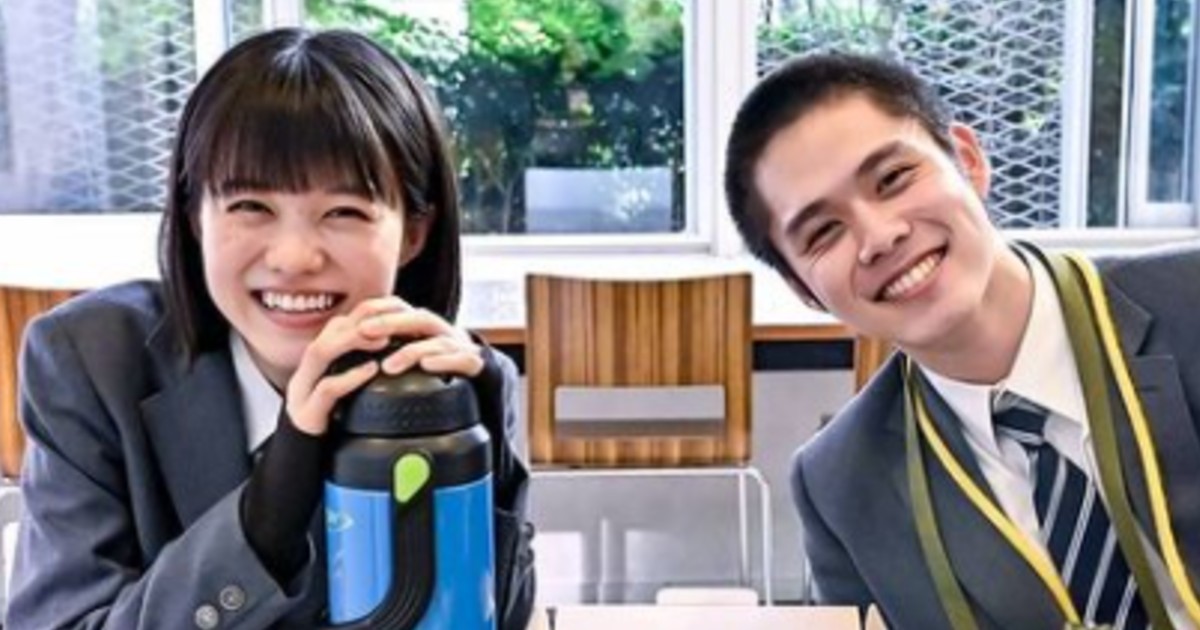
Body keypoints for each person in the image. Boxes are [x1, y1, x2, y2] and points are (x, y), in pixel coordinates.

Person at [7, 28, 534, 629]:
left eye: (344, 212)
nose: (294, 258)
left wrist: (485, 468)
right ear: (195, 217)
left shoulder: (451, 384)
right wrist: (265, 517)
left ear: (414, 232)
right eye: (251, 207)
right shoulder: (91, 362)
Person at [724, 52, 1200, 630]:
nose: (879, 236)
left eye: (893, 179)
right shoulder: (842, 484)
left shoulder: (1187, 302)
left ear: (969, 161)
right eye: (824, 231)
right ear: (805, 289)